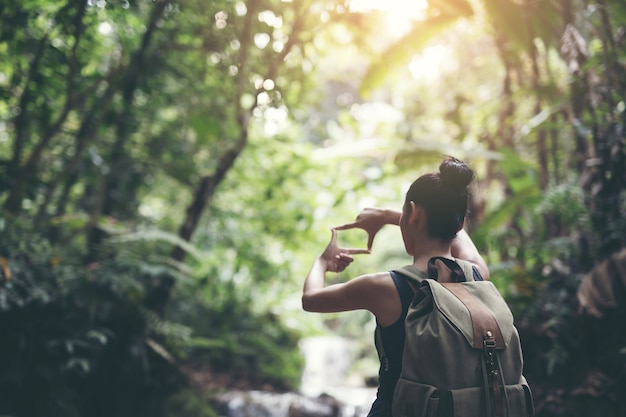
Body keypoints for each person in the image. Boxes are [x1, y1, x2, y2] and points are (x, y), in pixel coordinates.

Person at [301, 156, 489, 417]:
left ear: (412, 214)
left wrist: (322, 262)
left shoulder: (386, 287)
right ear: (459, 223)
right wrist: (392, 215)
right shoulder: (476, 274)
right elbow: (460, 235)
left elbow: (311, 299)